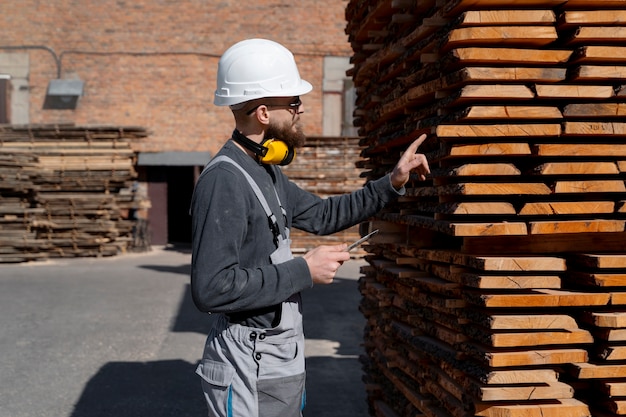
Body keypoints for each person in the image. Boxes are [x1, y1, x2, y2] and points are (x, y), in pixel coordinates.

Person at [189, 38, 430, 417]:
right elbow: (212, 289)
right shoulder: (224, 181)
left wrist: (392, 182)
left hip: (275, 353)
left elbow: (322, 215)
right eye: (293, 103)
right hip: (248, 361)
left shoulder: (266, 170)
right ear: (265, 113)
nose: (300, 110)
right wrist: (305, 270)